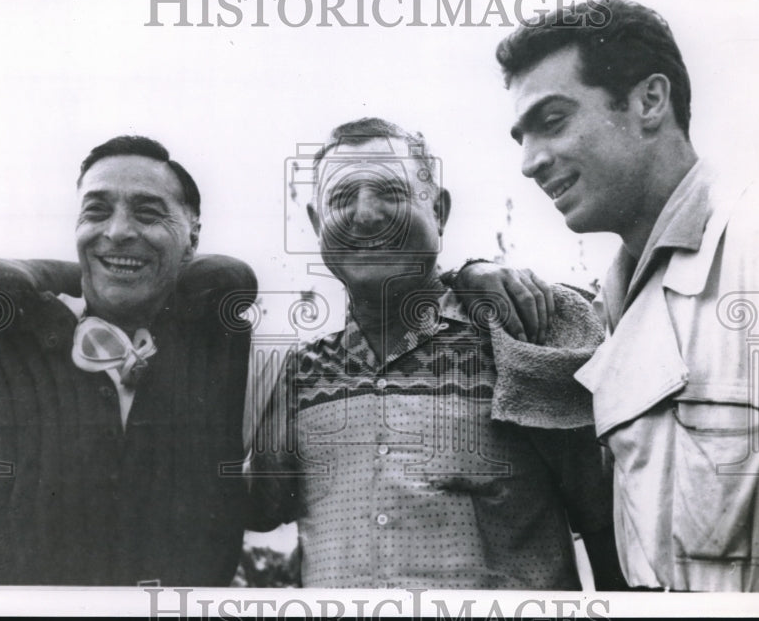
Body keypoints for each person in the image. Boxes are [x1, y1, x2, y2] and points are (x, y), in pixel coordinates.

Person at [498, 0, 759, 591]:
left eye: (552, 121)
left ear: (650, 101)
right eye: (521, 136)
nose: (529, 163)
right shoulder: (613, 308)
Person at [247, 117, 625, 590]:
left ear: (440, 211)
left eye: (393, 192)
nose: (366, 215)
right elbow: (255, 510)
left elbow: (606, 518)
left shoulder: (522, 336)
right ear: (316, 223)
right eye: (342, 199)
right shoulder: (298, 375)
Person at [0, 136, 255, 586]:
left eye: (148, 213)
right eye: (96, 211)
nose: (117, 232)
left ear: (193, 238)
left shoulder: (245, 357)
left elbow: (270, 507)